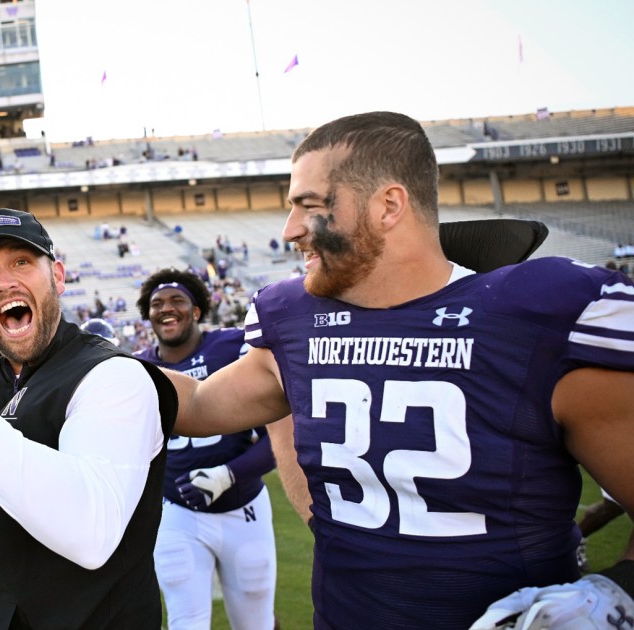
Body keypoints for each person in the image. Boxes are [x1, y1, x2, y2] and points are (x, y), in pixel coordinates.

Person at [162, 112, 634, 629]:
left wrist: (616, 592)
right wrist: (83, 358)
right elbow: (199, 404)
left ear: (388, 205)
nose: (290, 230)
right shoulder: (296, 318)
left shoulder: (537, 314)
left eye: (310, 206)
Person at [0, 207, 178, 628]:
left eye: (21, 262)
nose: (5, 282)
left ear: (57, 276)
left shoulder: (114, 375)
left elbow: (91, 532)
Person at [133, 268, 278, 630]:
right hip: (175, 512)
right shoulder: (134, 367)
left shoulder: (233, 348)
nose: (167, 308)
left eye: (177, 300)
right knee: (186, 622)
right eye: (157, 303)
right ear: (147, 315)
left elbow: (279, 436)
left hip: (243, 506)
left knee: (257, 622)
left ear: (196, 310)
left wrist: (228, 475)